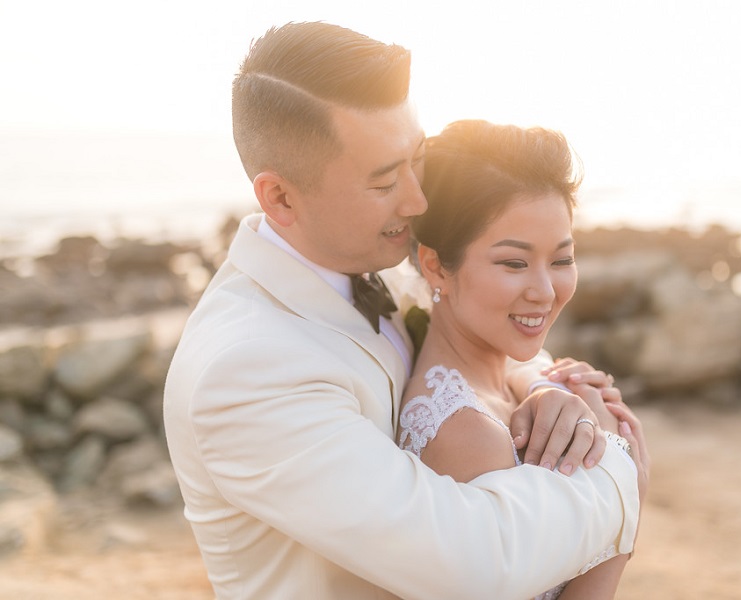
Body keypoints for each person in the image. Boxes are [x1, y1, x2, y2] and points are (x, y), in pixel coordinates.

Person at [163, 21, 642, 599]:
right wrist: (618, 469)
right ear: (281, 197)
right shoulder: (247, 371)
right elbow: (471, 561)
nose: (418, 200)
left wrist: (542, 389)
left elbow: (462, 347)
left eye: (415, 161)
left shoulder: (369, 262)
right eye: (386, 180)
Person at [398, 119, 649, 600]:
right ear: (435, 265)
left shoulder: (520, 377)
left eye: (561, 260)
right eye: (513, 263)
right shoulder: (467, 437)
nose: (545, 291)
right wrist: (625, 493)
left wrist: (550, 384)